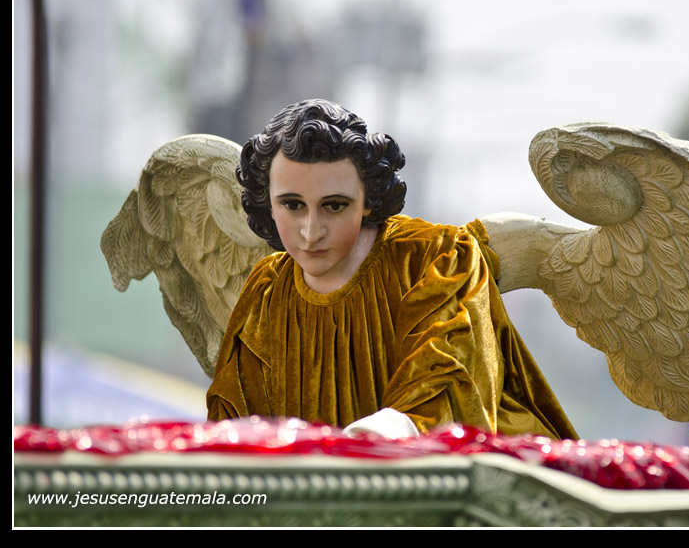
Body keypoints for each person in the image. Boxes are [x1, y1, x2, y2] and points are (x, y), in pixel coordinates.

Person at [206, 99, 577, 440]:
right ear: (268, 203)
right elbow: (234, 415)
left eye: (334, 206)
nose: (311, 231)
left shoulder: (437, 258)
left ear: (367, 200)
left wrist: (390, 429)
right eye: (292, 205)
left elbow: (449, 369)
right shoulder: (267, 290)